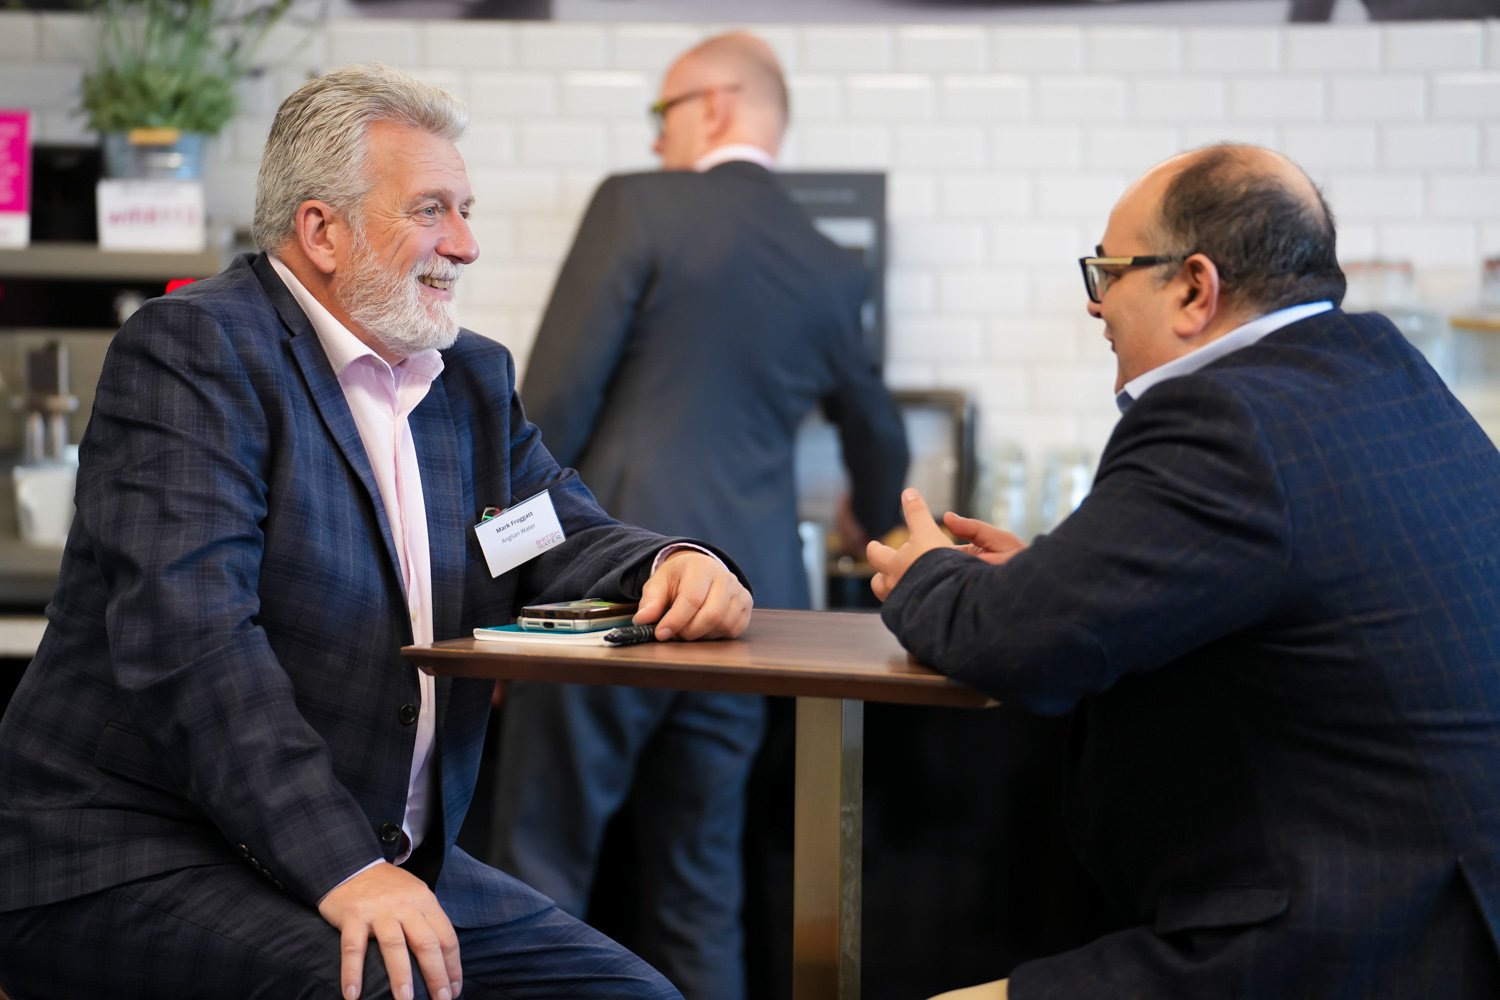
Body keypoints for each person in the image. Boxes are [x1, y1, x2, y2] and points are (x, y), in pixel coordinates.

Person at [0, 64, 755, 1000]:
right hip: (133, 852)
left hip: (367, 853)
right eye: (431, 210)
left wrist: (667, 563)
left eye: (464, 210)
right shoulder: (195, 349)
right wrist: (345, 869)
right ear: (322, 230)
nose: (466, 244)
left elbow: (543, 532)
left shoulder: (465, 378)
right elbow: (191, 639)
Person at [868, 143, 1500, 999]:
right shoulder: (1386, 375)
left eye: (1108, 272)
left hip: (1346, 942)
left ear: (1195, 289)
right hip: (1453, 917)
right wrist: (1048, 575)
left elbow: (1013, 643)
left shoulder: (1224, 413)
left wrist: (926, 573)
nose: (1095, 305)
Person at [488, 30, 908, 1000]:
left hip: (610, 596)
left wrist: (499, 586)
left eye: (662, 113)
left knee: (538, 869)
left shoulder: (636, 203)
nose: (656, 137)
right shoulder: (828, 261)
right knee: (698, 884)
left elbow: (551, 407)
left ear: (713, 106)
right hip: (749, 617)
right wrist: (870, 518)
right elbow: (878, 432)